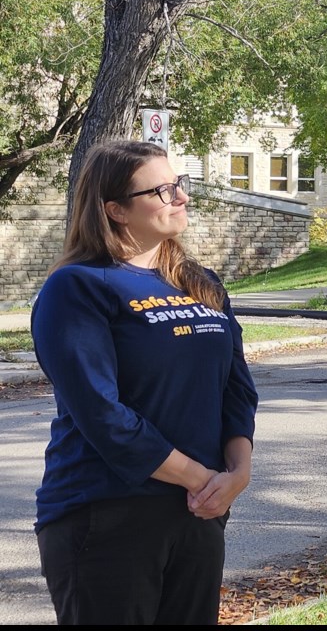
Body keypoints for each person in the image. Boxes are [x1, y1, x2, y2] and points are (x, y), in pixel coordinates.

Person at [30, 140, 259, 625]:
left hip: (196, 512)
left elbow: (236, 387)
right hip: (104, 512)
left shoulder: (202, 283)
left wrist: (237, 473)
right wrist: (204, 480)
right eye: (161, 190)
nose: (180, 197)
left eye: (180, 184)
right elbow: (101, 413)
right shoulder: (77, 286)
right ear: (114, 209)